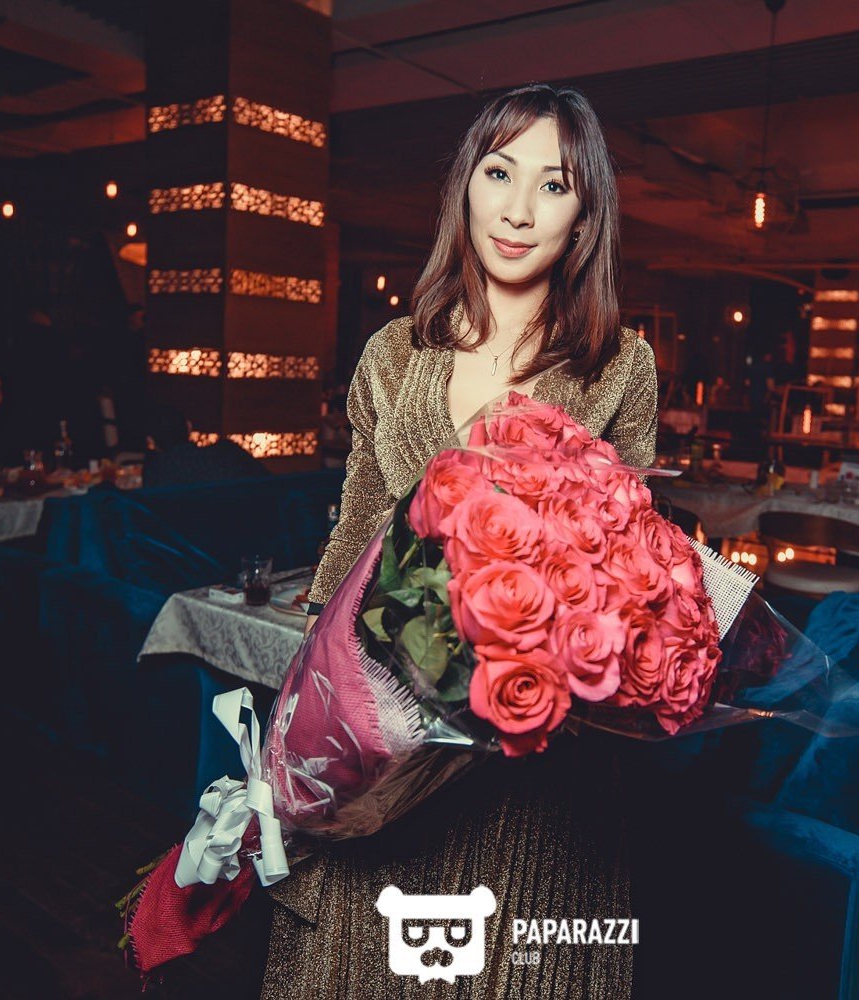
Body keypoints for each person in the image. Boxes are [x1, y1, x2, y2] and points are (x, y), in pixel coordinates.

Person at [265, 84, 657, 999]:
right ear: (465, 186)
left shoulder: (619, 366)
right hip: (382, 730)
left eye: (553, 186)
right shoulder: (392, 353)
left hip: (529, 762)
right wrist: (307, 716)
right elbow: (356, 525)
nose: (518, 211)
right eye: (498, 173)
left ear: (585, 214)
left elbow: (626, 562)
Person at [139, 405, 268, 487]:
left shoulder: (156, 473)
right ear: (189, 427)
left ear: (151, 441)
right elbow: (270, 484)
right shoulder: (230, 454)